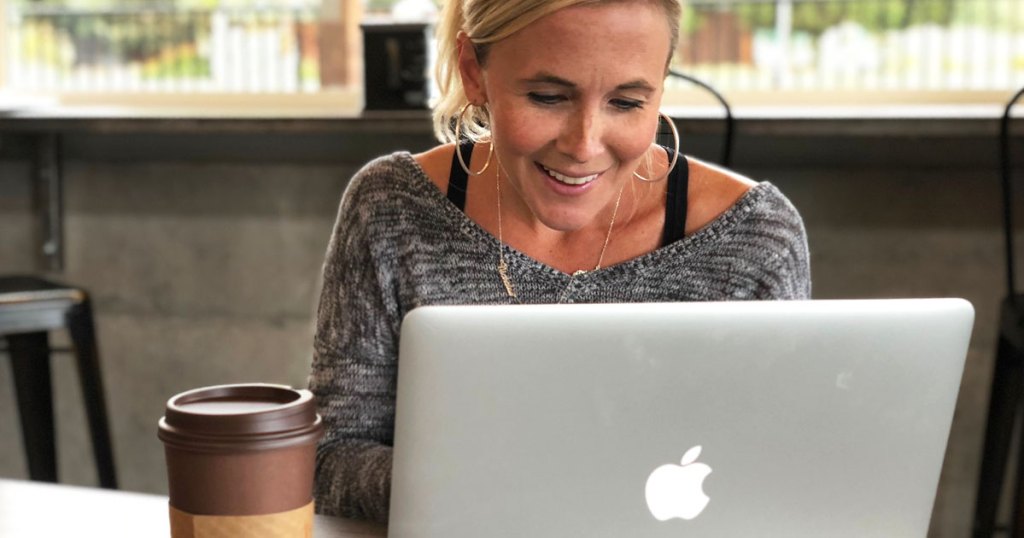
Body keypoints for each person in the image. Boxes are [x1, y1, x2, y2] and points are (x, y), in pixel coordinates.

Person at [309, 0, 811, 523]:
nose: (583, 145)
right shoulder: (393, 208)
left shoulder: (753, 235)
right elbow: (331, 457)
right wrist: (518, 492)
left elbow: (784, 474)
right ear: (472, 73)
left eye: (627, 102)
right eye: (548, 97)